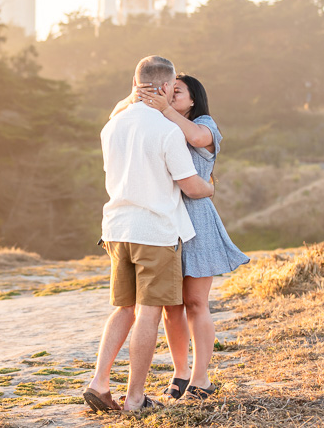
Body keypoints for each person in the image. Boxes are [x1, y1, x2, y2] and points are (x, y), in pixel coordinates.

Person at [82, 56, 215, 414]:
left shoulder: (112, 125)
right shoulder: (166, 130)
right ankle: (136, 398)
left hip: (115, 229)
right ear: (164, 87)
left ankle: (99, 382)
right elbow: (190, 185)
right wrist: (210, 188)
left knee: (124, 308)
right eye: (173, 87)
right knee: (149, 313)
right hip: (154, 231)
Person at [133, 74, 250, 401]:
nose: (170, 96)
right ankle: (180, 372)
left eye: (177, 91)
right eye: (167, 91)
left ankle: (202, 378)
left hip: (197, 219)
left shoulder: (205, 124)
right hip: (167, 219)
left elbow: (198, 140)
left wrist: (165, 110)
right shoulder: (162, 124)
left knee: (197, 302)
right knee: (172, 306)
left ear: (193, 98)